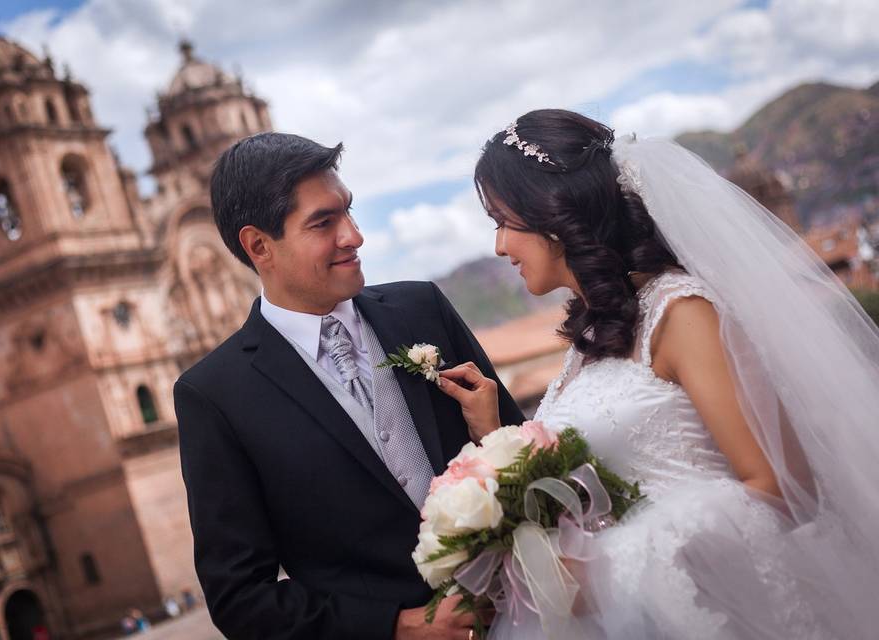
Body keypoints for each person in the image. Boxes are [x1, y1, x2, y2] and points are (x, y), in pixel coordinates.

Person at [437, 109, 879, 638]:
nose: (499, 246)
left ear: (554, 214)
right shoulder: (591, 339)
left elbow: (782, 487)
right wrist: (494, 439)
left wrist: (608, 568)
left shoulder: (681, 312)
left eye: (504, 222)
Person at [174, 132, 525, 639]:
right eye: (324, 223)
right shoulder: (214, 395)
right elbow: (239, 597)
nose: (354, 236)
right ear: (258, 246)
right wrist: (398, 628)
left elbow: (523, 454)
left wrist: (491, 433)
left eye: (348, 213)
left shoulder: (422, 309)